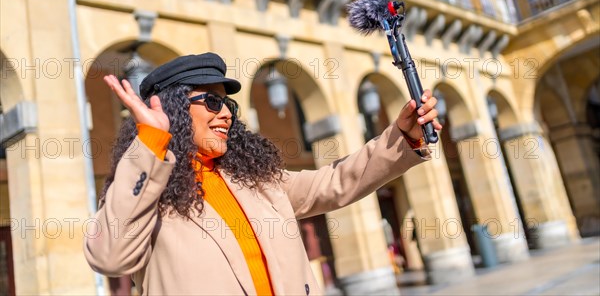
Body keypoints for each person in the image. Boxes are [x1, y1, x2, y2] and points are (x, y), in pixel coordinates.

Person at [84, 52, 441, 296]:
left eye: (228, 103)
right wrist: (149, 143)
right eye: (210, 101)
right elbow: (109, 257)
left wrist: (402, 137)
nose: (225, 113)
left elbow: (335, 182)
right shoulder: (144, 191)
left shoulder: (254, 178)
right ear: (174, 109)